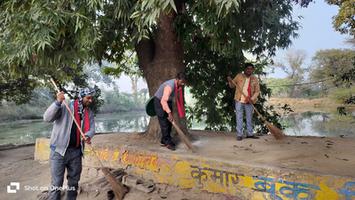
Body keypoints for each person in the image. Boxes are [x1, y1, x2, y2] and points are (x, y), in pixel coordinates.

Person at [43, 87, 96, 200]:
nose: (91, 100)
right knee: (56, 183)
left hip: (76, 152)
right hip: (59, 151)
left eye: (92, 98)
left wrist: (88, 135)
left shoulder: (88, 112)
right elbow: (47, 118)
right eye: (88, 98)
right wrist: (57, 102)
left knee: (73, 183)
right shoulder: (65, 105)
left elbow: (91, 128)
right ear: (81, 97)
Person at [154, 72, 187, 151]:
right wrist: (169, 113)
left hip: (167, 101)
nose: (182, 84)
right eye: (181, 82)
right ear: (177, 79)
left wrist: (169, 113)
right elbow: (163, 101)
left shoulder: (177, 85)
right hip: (159, 101)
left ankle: (164, 140)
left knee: (169, 123)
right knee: (164, 122)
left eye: (184, 83)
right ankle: (167, 142)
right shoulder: (170, 86)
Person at [227, 63, 260, 141]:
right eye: (248, 68)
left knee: (249, 118)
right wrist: (230, 81)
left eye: (251, 69)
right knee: (239, 117)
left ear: (253, 70)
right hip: (239, 100)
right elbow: (232, 86)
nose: (249, 70)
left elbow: (257, 91)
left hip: (250, 101)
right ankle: (239, 135)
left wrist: (252, 99)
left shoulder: (255, 79)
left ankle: (250, 134)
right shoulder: (239, 76)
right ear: (244, 69)